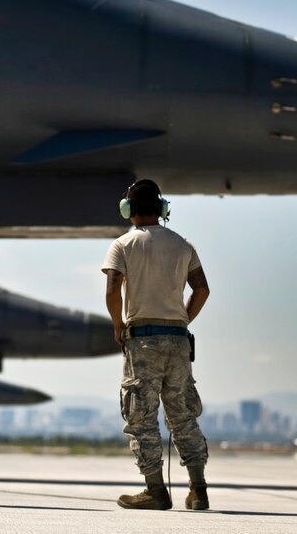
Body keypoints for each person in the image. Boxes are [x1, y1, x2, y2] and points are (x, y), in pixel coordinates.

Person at [102, 179, 211, 511]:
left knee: (141, 416)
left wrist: (119, 325)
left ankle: (155, 490)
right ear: (162, 209)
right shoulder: (183, 245)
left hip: (143, 340)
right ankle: (198, 490)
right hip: (178, 340)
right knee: (182, 414)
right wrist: (182, 321)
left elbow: (112, 291)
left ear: (129, 210)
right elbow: (202, 290)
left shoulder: (122, 245)